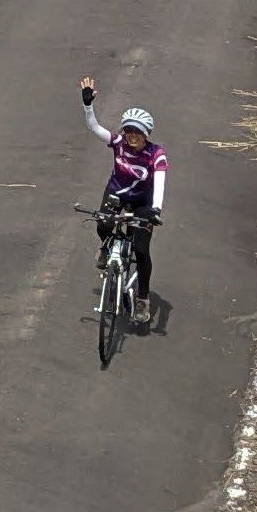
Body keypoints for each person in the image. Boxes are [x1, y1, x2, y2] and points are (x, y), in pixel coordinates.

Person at [79, 76, 167, 326]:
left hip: (143, 203)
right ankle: (106, 247)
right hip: (116, 193)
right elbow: (94, 128)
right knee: (102, 225)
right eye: (128, 130)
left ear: (145, 134)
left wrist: (155, 209)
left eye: (137, 132)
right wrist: (88, 106)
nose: (131, 136)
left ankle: (142, 298)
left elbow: (160, 181)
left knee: (141, 250)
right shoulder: (117, 143)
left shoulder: (155, 155)